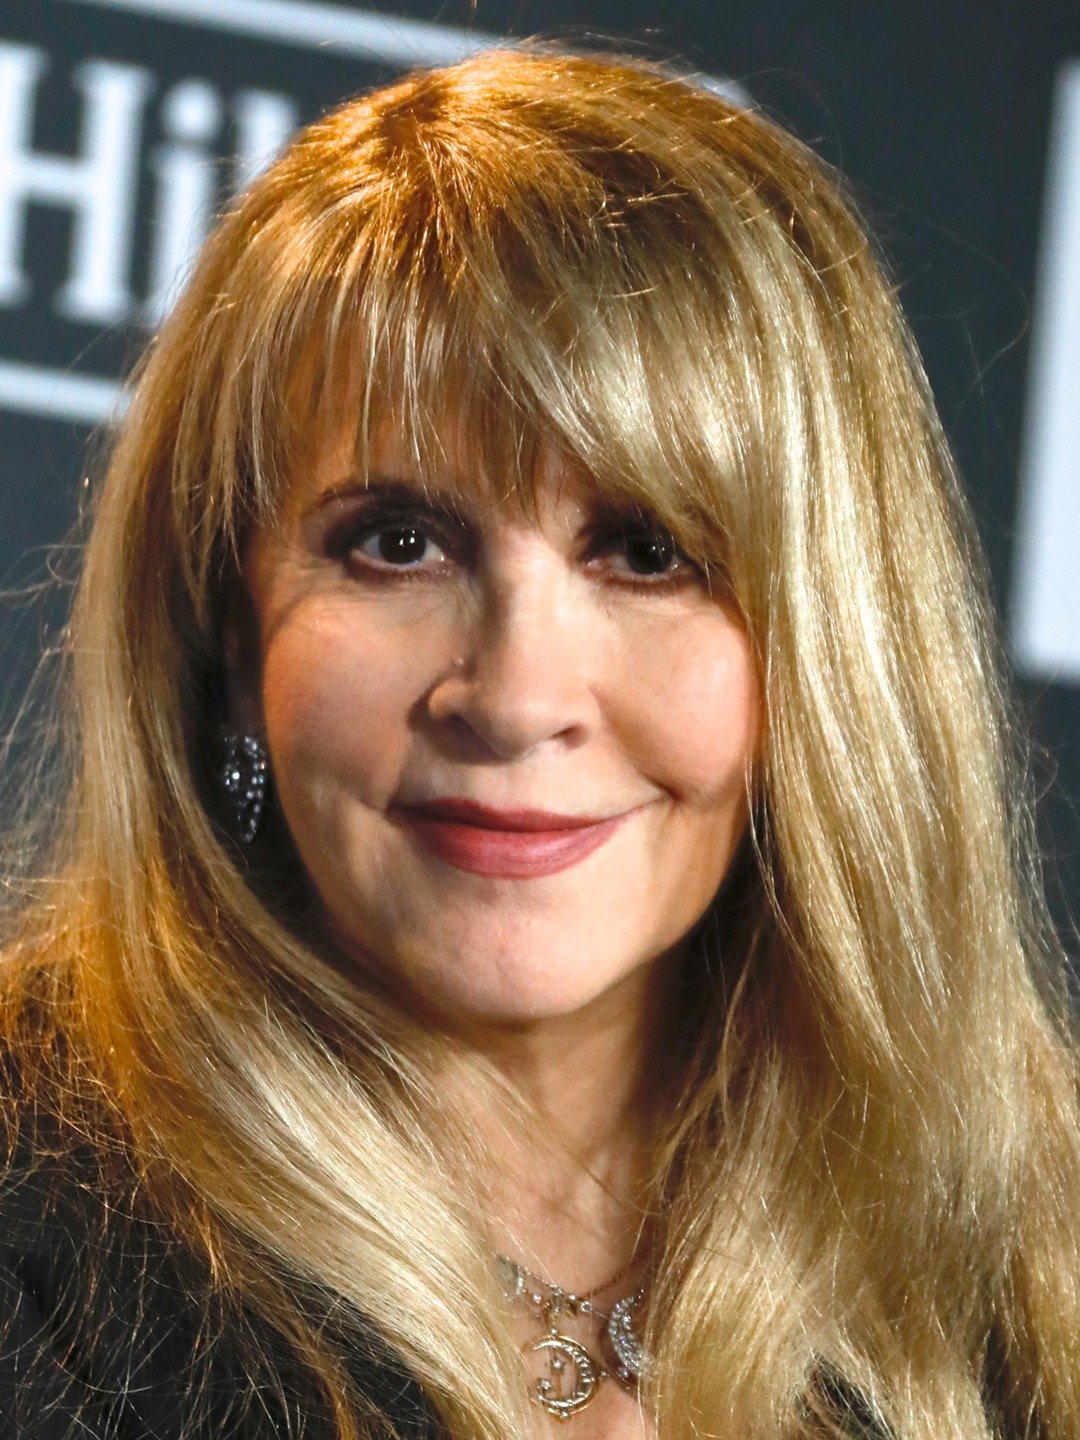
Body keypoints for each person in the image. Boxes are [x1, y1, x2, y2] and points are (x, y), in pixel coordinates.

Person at [1, 44, 1077, 1440]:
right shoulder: (34, 1223)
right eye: (397, 544)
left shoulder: (1032, 1243)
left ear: (832, 642)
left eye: (646, 551)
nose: (514, 699)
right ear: (226, 620)